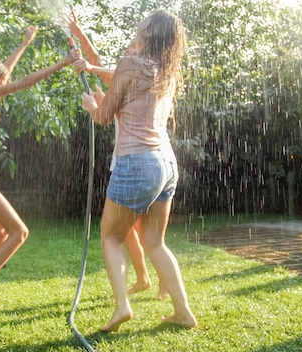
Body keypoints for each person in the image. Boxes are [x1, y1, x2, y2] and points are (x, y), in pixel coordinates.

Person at [79, 10, 197, 332]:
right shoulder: (167, 72)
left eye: (142, 25)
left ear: (149, 32)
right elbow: (127, 101)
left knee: (111, 236)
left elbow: (103, 116)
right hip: (166, 164)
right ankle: (183, 312)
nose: (138, 27)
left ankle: (121, 307)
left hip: (136, 163)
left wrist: (92, 105)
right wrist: (93, 72)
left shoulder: (130, 64)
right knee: (155, 242)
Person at [0, 26, 79, 309]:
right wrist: (63, 62)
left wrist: (25, 44)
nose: (5, 82)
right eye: (0, 80)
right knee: (19, 232)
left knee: (0, 232)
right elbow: (19, 83)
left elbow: (9, 74)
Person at [64, 11, 167, 298]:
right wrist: (78, 31)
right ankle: (146, 277)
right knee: (133, 228)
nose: (125, 52)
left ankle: (159, 280)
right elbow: (99, 63)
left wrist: (93, 78)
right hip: (134, 159)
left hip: (139, 159)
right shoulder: (136, 73)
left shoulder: (140, 72)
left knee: (144, 232)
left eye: (130, 49)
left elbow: (102, 68)